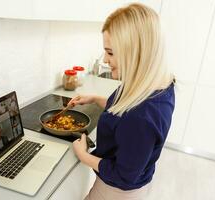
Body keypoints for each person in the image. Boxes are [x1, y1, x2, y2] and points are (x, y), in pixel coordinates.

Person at [69, 3, 175, 200]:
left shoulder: (141, 116)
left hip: (117, 192)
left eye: (110, 52)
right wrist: (95, 98)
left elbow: (123, 176)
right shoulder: (155, 84)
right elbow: (125, 108)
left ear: (135, 53)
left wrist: (84, 156)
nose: (106, 60)